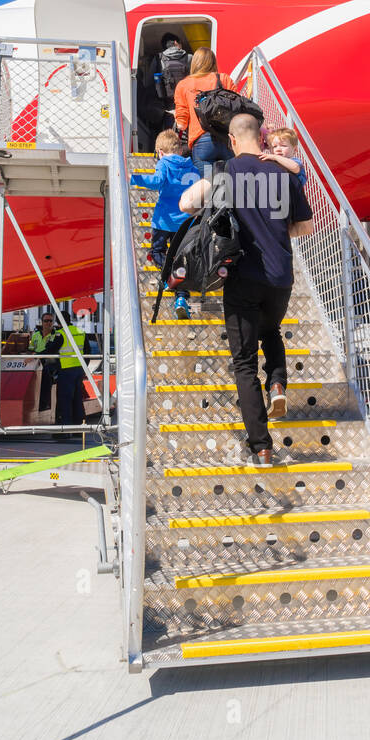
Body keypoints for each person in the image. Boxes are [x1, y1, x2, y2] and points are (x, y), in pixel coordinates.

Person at [179, 112, 314, 466]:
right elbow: (305, 226)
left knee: (243, 363)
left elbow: (186, 204)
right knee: (271, 331)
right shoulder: (285, 174)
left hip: (242, 279)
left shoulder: (227, 171)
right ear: (262, 138)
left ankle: (262, 446)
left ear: (235, 141)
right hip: (281, 277)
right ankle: (279, 383)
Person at [130, 129, 199, 319]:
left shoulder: (164, 164)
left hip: (164, 221)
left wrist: (134, 178)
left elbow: (157, 181)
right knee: (180, 258)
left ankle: (170, 278)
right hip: (186, 221)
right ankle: (181, 297)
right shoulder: (192, 167)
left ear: (160, 151)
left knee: (157, 252)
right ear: (179, 149)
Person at [173, 46, 237, 171]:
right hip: (226, 139)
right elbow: (238, 108)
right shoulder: (224, 79)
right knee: (231, 184)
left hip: (201, 141)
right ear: (213, 62)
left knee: (207, 186)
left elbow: (182, 124)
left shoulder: (183, 84)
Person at [50, 309, 93, 431]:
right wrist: (83, 367)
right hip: (78, 370)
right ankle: (78, 429)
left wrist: (34, 354)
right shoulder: (80, 331)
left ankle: (64, 430)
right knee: (77, 399)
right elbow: (88, 351)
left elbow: (51, 350)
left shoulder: (60, 333)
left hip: (66, 370)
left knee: (65, 400)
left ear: (58, 321)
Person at [29, 311, 59, 413]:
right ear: (42, 322)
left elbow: (53, 350)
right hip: (37, 362)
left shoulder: (56, 335)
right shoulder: (36, 335)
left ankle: (44, 404)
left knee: (45, 374)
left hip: (51, 363)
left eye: (51, 321)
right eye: (46, 321)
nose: (48, 323)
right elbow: (31, 348)